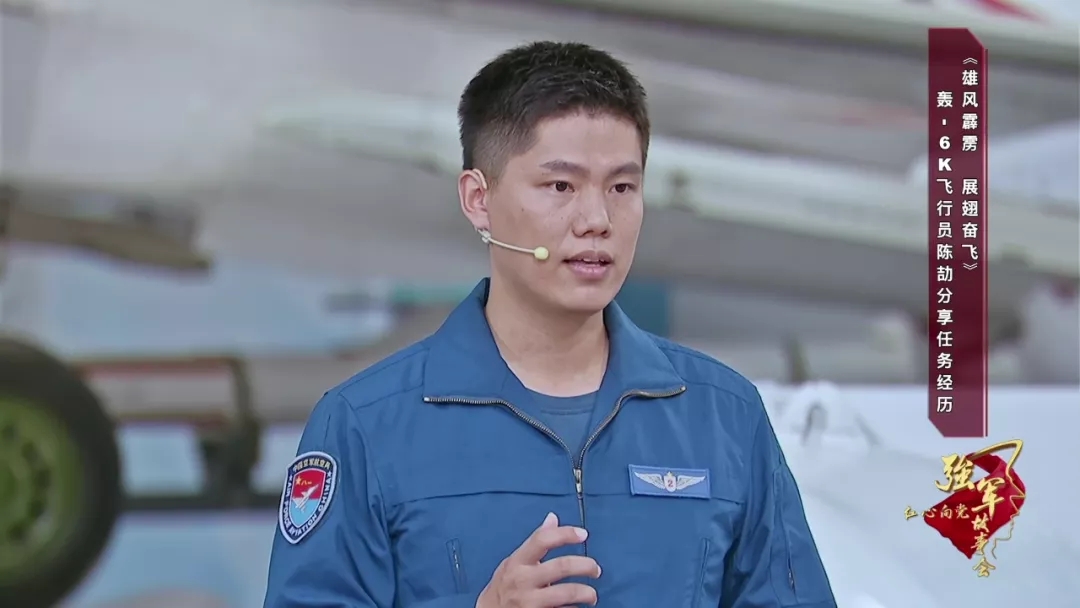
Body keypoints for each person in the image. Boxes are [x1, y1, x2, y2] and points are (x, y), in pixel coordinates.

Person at [263, 41, 835, 608]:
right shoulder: (366, 424)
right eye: (561, 187)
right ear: (478, 199)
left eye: (622, 187)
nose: (597, 220)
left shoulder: (723, 414)